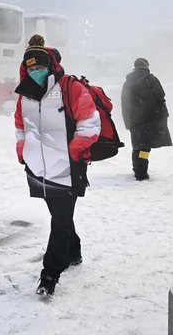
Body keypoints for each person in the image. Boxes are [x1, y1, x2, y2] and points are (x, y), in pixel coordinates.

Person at [14, 34, 101, 297]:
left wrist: (71, 153)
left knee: (60, 219)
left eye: (40, 67)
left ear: (50, 65)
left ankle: (50, 274)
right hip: (39, 169)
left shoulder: (70, 88)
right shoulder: (25, 95)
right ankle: (73, 251)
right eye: (31, 68)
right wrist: (22, 151)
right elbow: (20, 127)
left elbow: (90, 125)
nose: (35, 72)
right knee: (59, 216)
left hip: (67, 167)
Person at [120, 58, 172, 180]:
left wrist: (128, 121)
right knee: (144, 147)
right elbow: (161, 98)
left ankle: (136, 168)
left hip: (134, 120)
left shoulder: (127, 82)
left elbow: (124, 103)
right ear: (146, 66)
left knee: (137, 146)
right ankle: (141, 173)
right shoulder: (151, 79)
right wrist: (164, 116)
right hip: (149, 119)